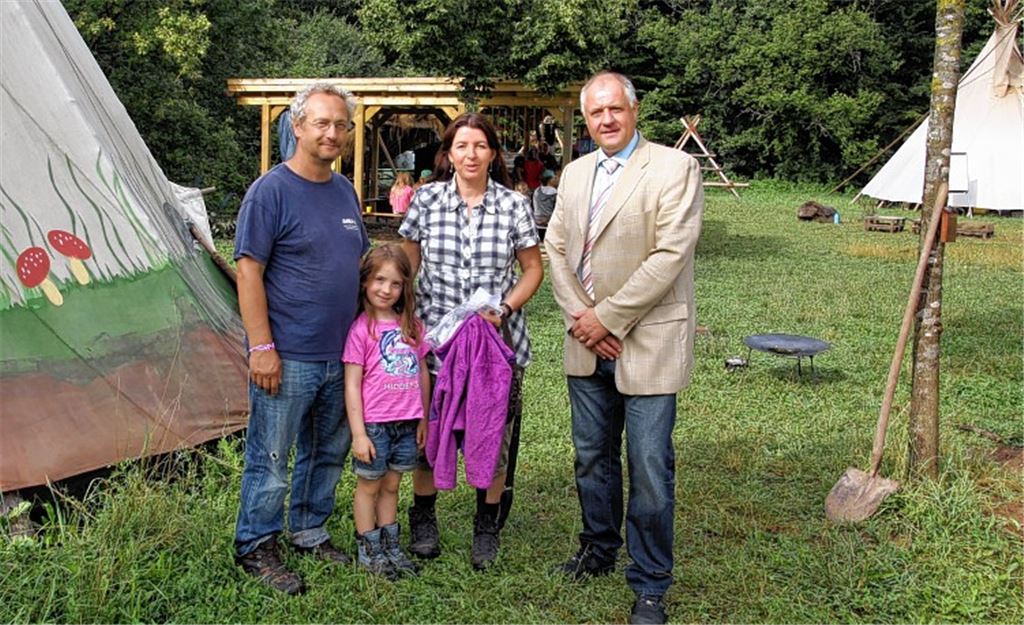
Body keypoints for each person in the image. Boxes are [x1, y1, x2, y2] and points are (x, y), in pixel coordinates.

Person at [544, 71, 704, 625]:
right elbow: (555, 248)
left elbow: (669, 255)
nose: (606, 120)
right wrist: (584, 321)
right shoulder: (574, 172)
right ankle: (598, 546)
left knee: (650, 466)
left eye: (615, 109)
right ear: (585, 120)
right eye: (595, 113)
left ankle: (651, 581)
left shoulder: (674, 167)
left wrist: (607, 318)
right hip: (585, 340)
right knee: (592, 456)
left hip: (648, 339)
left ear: (634, 110)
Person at [233, 82, 369, 595]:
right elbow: (249, 273)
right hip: (287, 355)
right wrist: (261, 347)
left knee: (326, 451)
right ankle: (256, 544)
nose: (333, 133)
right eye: (322, 123)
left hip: (342, 356)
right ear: (297, 126)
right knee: (270, 457)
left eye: (341, 125)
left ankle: (309, 529)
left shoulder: (344, 191)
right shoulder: (270, 191)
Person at [398, 112, 543, 570]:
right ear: (449, 153)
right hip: (436, 344)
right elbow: (407, 269)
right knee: (430, 432)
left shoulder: (513, 206)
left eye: (480, 146)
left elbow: (532, 270)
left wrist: (504, 309)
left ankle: (486, 523)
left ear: (493, 154)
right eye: (461, 146)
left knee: (491, 433)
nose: (471, 155)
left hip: (493, 346)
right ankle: (423, 517)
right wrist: (402, 321)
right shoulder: (426, 202)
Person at [343, 244, 430, 580]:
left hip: (406, 423)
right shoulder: (361, 330)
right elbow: (351, 384)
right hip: (375, 425)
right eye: (380, 280)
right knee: (369, 486)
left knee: (392, 486)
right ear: (365, 282)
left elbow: (421, 372)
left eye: (396, 284)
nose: (386, 289)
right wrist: (359, 433)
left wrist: (423, 417)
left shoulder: (411, 327)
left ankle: (391, 545)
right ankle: (369, 549)